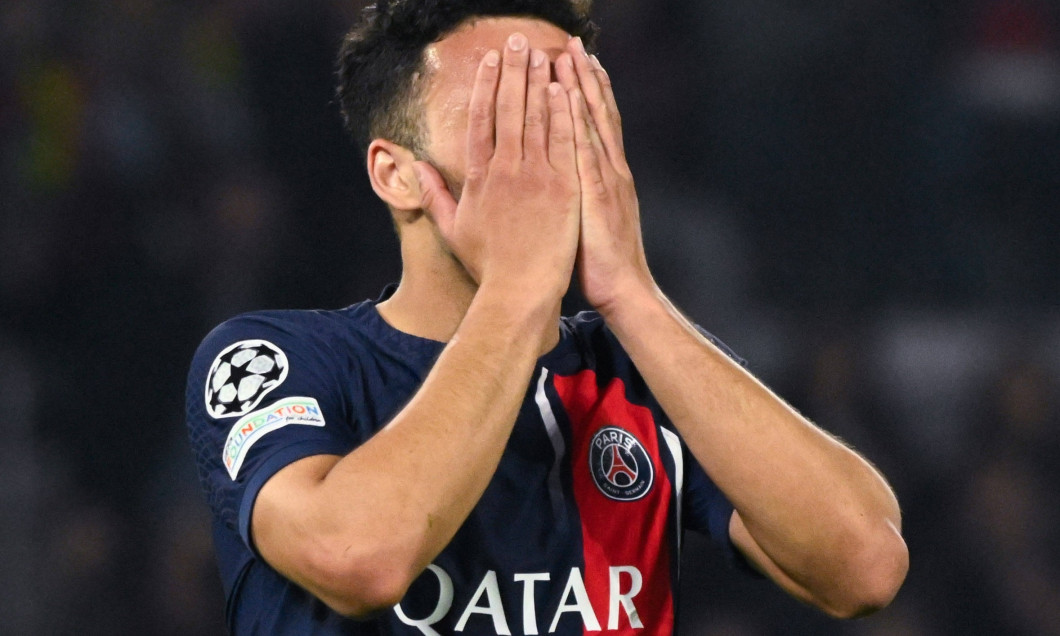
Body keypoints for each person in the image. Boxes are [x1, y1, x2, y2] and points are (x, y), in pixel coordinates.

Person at [185, 1, 909, 633]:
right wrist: (517, 293)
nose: (546, 153)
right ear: (396, 173)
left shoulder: (634, 368)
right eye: (504, 116)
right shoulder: (278, 357)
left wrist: (632, 294)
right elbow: (361, 558)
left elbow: (865, 568)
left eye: (567, 113)